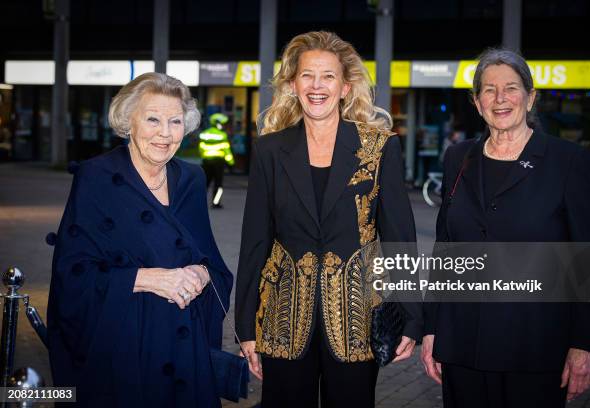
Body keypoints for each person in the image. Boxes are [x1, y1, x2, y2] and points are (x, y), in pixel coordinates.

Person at [234, 31, 422, 408]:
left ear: (345, 88)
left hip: (356, 317)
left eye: (328, 76)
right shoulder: (270, 150)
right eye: (307, 75)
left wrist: (412, 316)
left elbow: (400, 237)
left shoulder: (380, 147)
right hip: (283, 315)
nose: (316, 86)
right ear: (293, 84)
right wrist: (244, 326)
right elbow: (255, 240)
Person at [421, 48, 590, 407]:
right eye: (488, 90)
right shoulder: (458, 158)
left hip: (534, 347)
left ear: (530, 96)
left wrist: (583, 344)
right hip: (462, 344)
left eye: (511, 88)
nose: (500, 99)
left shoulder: (568, 162)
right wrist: (431, 329)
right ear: (476, 102)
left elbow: (587, 261)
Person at [47, 72, 233, 407]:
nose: (165, 133)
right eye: (153, 119)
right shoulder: (96, 177)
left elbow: (211, 261)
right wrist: (148, 279)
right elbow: (71, 275)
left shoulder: (191, 178)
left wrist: (204, 275)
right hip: (125, 346)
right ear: (128, 121)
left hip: (183, 347)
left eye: (175, 121)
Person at [199, 112, 235, 208]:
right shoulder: (222, 135)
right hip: (218, 162)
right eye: (223, 123)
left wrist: (204, 157)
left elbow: (201, 148)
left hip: (206, 161)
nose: (224, 125)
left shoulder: (204, 134)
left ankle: (199, 202)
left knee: (205, 183)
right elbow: (226, 150)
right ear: (218, 123)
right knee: (218, 184)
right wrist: (231, 163)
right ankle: (216, 203)